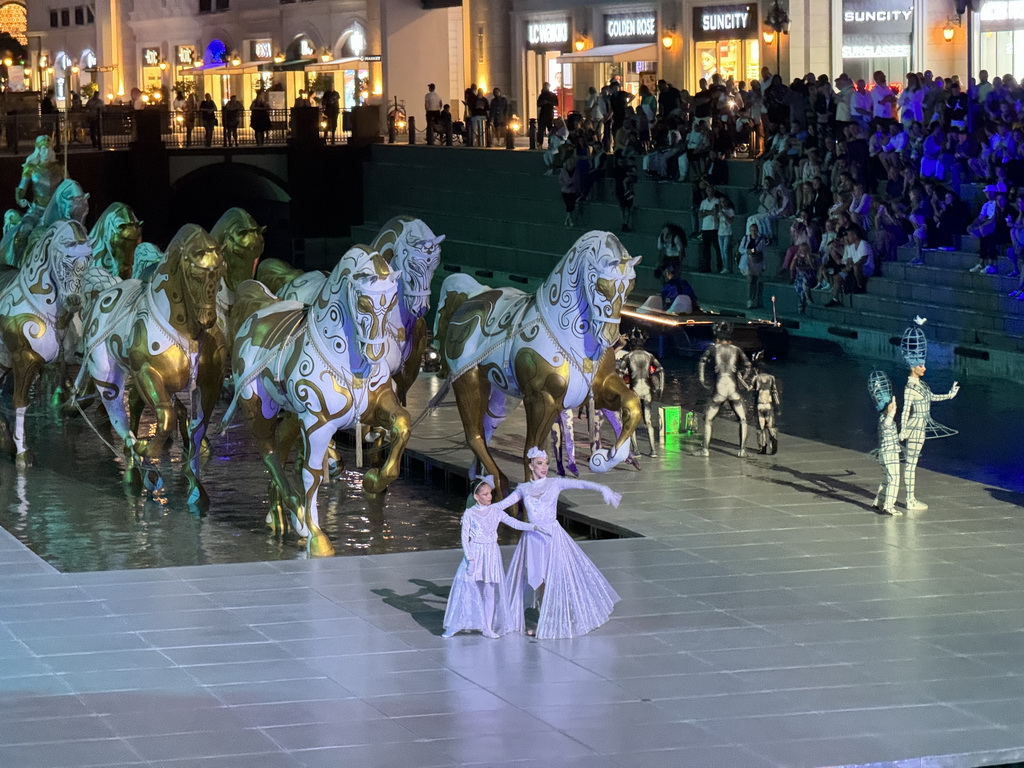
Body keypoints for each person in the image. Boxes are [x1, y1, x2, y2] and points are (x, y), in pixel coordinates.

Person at [503, 447, 622, 639]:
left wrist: (602, 489)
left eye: (546, 463)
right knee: (538, 580)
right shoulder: (523, 489)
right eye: (540, 463)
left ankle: (553, 620)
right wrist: (479, 513)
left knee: (553, 577)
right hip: (533, 539)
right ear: (531, 465)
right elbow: (500, 509)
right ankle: (544, 619)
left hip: (552, 536)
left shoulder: (554, 483)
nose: (544, 467)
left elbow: (581, 485)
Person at [441, 476, 542, 639]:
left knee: (489, 590)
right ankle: (457, 623)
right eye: (485, 494)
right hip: (475, 552)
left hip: (491, 553)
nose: (489, 497)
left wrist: (534, 527)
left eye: (490, 494)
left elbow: (513, 523)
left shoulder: (495, 511)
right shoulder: (470, 513)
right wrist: (471, 559)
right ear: (476, 497)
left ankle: (487, 627)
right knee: (468, 587)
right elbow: (464, 538)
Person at [899, 318, 960, 511]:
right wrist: (903, 431)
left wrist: (949, 395)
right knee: (911, 463)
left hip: (922, 425)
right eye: (921, 366)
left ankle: (911, 498)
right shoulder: (910, 388)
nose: (924, 368)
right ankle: (909, 499)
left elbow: (931, 397)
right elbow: (905, 410)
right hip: (915, 426)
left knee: (914, 461)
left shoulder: (922, 385)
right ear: (913, 367)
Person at [698, 321, 751, 457]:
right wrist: (743, 378)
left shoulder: (713, 349)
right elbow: (748, 365)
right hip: (733, 388)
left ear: (717, 339)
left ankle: (705, 449)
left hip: (720, 388)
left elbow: (702, 362)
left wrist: (702, 379)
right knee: (743, 419)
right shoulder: (737, 349)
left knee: (709, 419)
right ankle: (742, 450)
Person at [868, 372, 901, 516]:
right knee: (894, 479)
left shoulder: (881, 420)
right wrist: (893, 412)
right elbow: (888, 424)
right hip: (889, 454)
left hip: (884, 453)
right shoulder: (886, 420)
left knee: (886, 479)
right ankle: (889, 505)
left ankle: (878, 501)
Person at [747, 352, 781, 455]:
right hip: (769, 404)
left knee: (760, 427)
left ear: (758, 370)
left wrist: (740, 379)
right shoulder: (771, 378)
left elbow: (750, 389)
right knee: (771, 425)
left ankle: (762, 447)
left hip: (759, 405)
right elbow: (775, 392)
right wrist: (778, 406)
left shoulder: (756, 378)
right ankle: (773, 438)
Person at [738, 221, 767, 309]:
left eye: (755, 230)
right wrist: (747, 251)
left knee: (755, 281)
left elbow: (764, 253)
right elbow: (740, 249)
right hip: (746, 263)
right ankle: (750, 299)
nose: (753, 232)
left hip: (757, 263)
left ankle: (753, 299)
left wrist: (764, 266)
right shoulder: (746, 238)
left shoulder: (761, 240)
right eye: (751, 230)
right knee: (750, 280)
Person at [537, 82, 558, 148]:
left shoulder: (551, 95)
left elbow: (556, 103)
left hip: (548, 114)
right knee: (542, 130)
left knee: (549, 129)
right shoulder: (542, 95)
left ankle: (550, 142)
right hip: (545, 114)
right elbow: (538, 104)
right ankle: (541, 143)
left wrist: (547, 102)